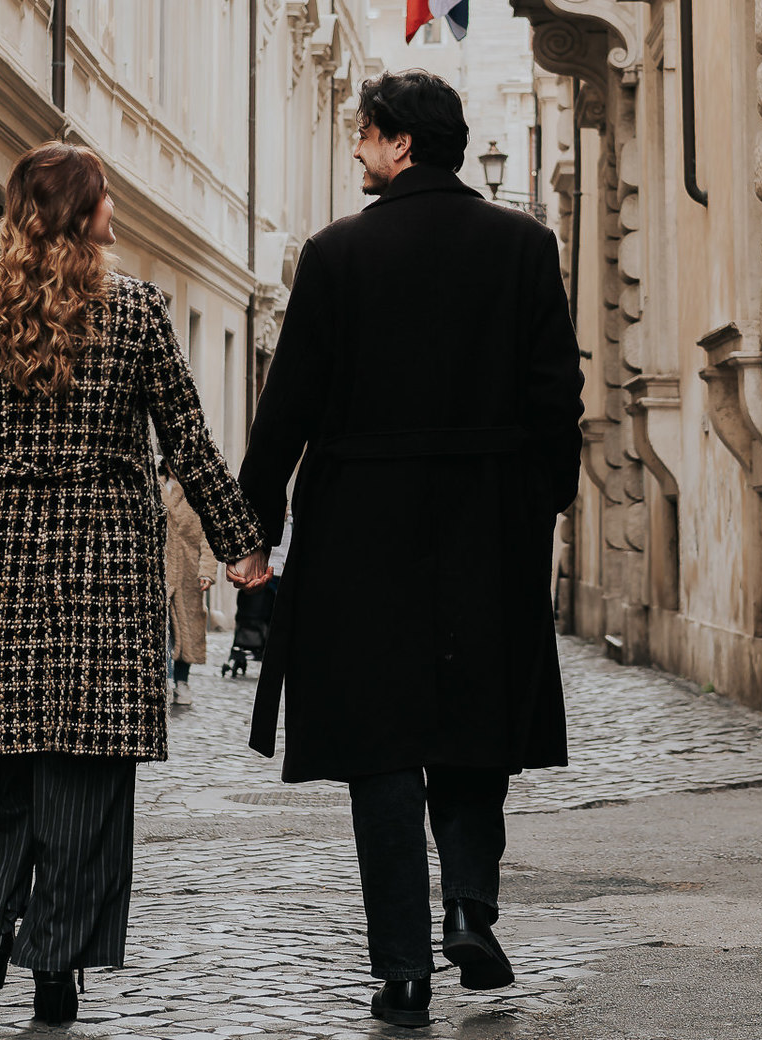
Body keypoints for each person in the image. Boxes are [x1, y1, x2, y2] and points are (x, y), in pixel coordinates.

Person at [237, 69, 584, 1029]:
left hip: (362, 533)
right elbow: (558, 399)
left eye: (362, 135)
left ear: (396, 142)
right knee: (476, 728)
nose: (355, 151)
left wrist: (252, 530)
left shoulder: (337, 255)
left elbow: (289, 408)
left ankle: (401, 972)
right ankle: (470, 907)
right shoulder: (525, 246)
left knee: (381, 750)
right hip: (489, 523)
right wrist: (538, 503)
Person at [0, 143, 269, 1026]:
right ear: (78, 211)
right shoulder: (136, 312)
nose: (116, 210)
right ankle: (54, 960)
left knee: (10, 752)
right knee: (90, 775)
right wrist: (241, 544)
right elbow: (187, 442)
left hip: (0, 553)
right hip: (101, 552)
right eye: (104, 197)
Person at [160, 461, 218, 706]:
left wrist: (206, 571)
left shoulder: (198, 492)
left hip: (187, 571)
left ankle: (182, 681)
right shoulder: (153, 483)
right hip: (157, 570)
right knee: (157, 629)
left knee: (186, 628)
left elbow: (208, 536)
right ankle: (161, 679)